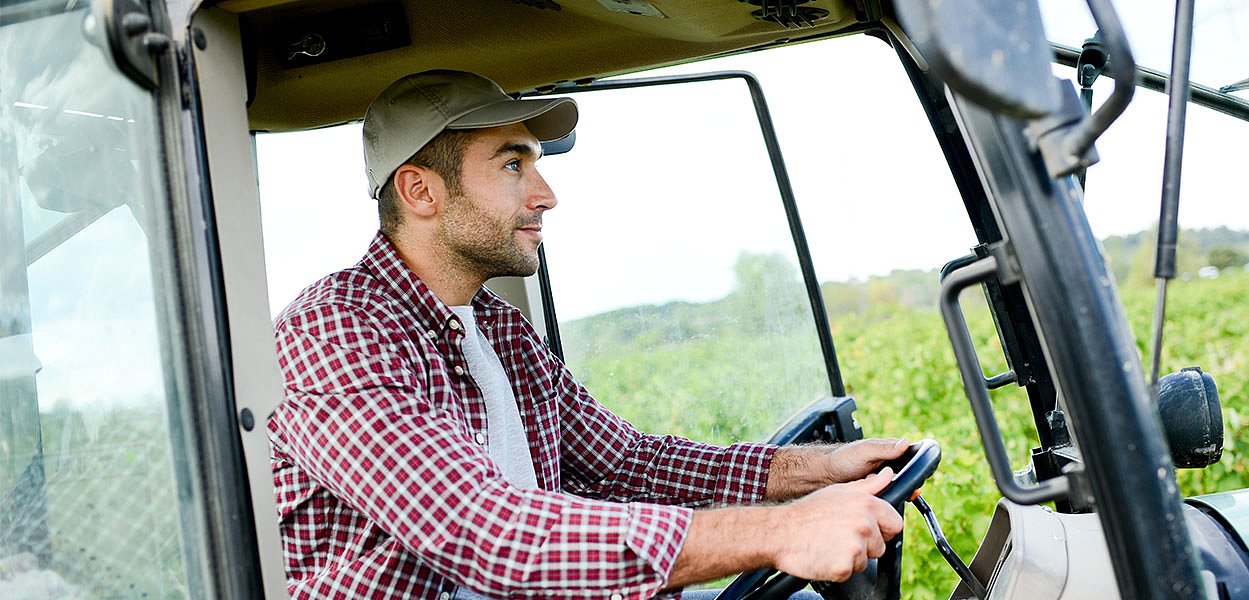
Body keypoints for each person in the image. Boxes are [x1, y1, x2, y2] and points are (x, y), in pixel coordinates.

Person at [267, 70, 908, 599]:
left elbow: (631, 462)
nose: (546, 195)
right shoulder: (336, 333)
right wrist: (780, 533)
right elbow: (488, 533)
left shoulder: (495, 328)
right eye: (513, 165)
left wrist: (814, 471)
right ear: (421, 191)